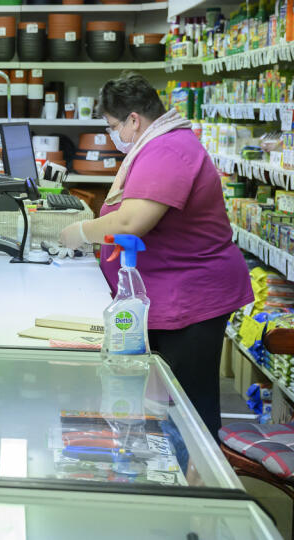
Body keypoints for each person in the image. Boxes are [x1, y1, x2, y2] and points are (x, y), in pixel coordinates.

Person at [60, 73, 253, 436]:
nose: (112, 135)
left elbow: (132, 222)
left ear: (134, 119)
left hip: (192, 295)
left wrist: (80, 233)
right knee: (167, 401)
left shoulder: (168, 150)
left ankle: (199, 483)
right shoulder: (157, 143)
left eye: (112, 126)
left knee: (190, 406)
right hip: (173, 289)